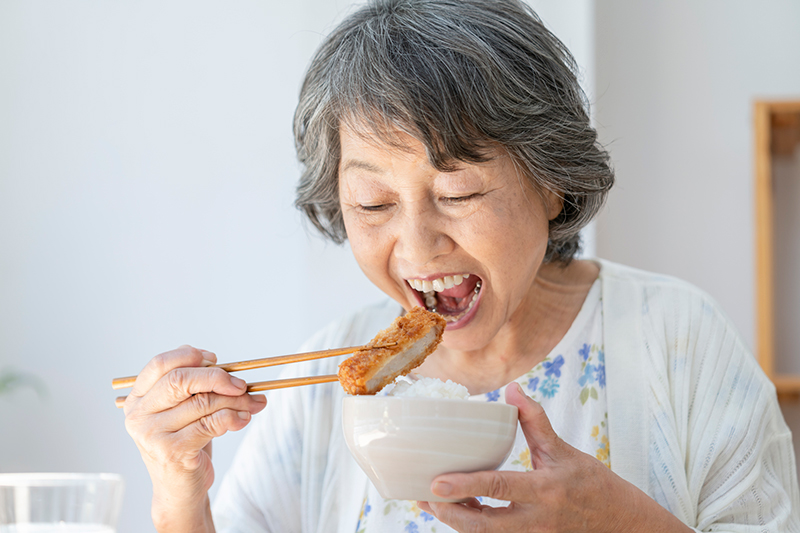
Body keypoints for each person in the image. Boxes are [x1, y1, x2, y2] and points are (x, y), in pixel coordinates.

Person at [122, 0, 800, 531]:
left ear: (550, 180)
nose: (417, 247)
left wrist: (628, 526)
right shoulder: (330, 377)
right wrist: (177, 491)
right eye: (373, 201)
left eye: (458, 193)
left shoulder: (677, 337)